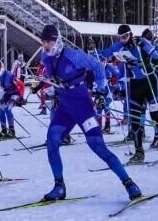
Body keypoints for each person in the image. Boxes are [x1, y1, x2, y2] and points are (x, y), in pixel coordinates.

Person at [39, 25, 142, 201]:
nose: (46, 46)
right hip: (64, 107)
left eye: (49, 42)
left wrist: (101, 90)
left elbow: (97, 66)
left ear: (57, 41)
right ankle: (59, 186)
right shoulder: (45, 57)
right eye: (44, 42)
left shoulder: (73, 55)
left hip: (83, 107)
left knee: (97, 147)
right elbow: (54, 78)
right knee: (52, 141)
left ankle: (129, 183)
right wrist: (44, 86)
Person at [100, 24, 158, 164]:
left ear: (130, 34)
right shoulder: (119, 46)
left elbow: (157, 57)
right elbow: (104, 52)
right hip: (135, 84)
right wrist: (97, 55)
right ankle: (139, 152)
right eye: (120, 37)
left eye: (125, 36)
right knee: (134, 118)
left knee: (154, 115)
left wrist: (144, 50)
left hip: (150, 80)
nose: (123, 40)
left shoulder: (141, 42)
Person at [0, 61, 20, 140]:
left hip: (14, 94)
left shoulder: (9, 75)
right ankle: (4, 130)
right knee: (1, 110)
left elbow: (20, 85)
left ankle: (12, 130)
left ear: (2, 68)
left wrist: (21, 97)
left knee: (8, 109)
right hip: (4, 94)